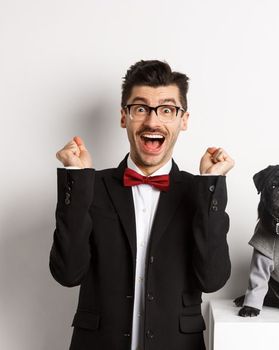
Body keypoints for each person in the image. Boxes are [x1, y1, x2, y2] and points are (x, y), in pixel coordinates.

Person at [50, 60, 234, 350]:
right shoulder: (92, 187)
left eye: (167, 109)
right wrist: (76, 177)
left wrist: (211, 184)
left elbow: (212, 279)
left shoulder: (197, 191)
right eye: (140, 108)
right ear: (124, 117)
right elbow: (67, 273)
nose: (152, 121)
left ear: (183, 120)